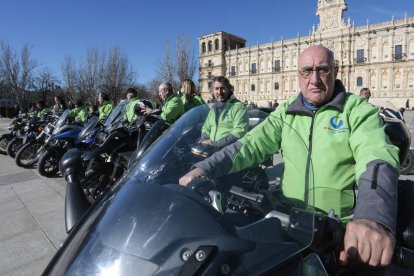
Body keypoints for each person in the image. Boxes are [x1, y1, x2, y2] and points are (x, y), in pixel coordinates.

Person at [180, 46, 399, 267]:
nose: (314, 79)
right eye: (306, 71)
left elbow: (376, 155)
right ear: (298, 75)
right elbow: (249, 144)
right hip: (289, 226)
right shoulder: (285, 113)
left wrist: (371, 216)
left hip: (339, 234)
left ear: (336, 70)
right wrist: (205, 168)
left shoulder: (356, 109)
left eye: (322, 70)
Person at [199, 76, 248, 150]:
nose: (219, 92)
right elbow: (206, 127)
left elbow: (239, 132)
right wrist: (204, 140)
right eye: (216, 89)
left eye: (222, 88)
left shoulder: (238, 107)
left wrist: (216, 144)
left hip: (229, 152)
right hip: (211, 150)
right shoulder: (213, 108)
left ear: (229, 89)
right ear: (213, 91)